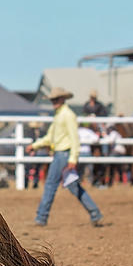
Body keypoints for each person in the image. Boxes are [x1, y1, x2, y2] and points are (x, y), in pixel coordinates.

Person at [26, 87, 104, 227]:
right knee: (73, 186)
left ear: (62, 99)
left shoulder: (67, 115)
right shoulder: (60, 115)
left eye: (55, 99)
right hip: (63, 154)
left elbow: (74, 138)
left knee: (50, 185)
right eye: (52, 100)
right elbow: (51, 137)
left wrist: (73, 158)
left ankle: (41, 217)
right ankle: (95, 213)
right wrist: (35, 145)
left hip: (63, 154)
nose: (53, 102)